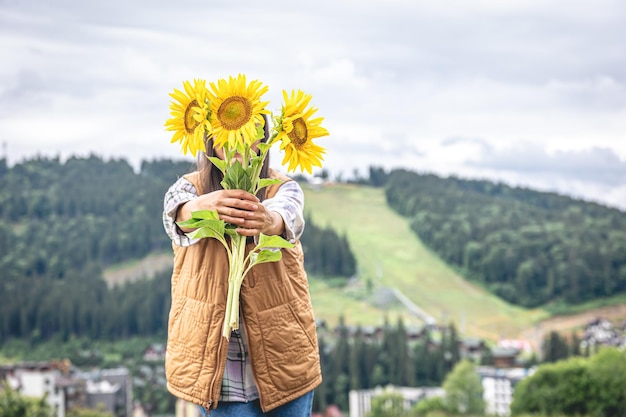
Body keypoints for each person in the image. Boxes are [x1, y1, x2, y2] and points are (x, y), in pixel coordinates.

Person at [162, 118, 322, 417]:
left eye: (247, 133)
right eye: (228, 133)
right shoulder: (189, 188)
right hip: (217, 367)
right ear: (212, 138)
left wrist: (265, 221)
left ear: (262, 139)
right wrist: (202, 207)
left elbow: (287, 218)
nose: (237, 143)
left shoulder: (282, 188)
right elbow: (176, 215)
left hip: (285, 358)